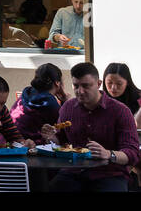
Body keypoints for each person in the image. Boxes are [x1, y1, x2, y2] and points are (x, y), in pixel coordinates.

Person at [44, 62, 141, 192]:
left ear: (98, 84)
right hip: (73, 171)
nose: (80, 91)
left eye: (86, 86)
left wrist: (108, 154)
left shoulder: (121, 111)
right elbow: (61, 142)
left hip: (109, 174)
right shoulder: (67, 108)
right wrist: (51, 138)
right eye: (76, 86)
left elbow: (133, 153)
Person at [9, 62, 65, 140]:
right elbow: (63, 126)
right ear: (57, 83)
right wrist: (65, 101)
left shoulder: (27, 92)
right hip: (31, 144)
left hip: (11, 138)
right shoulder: (49, 102)